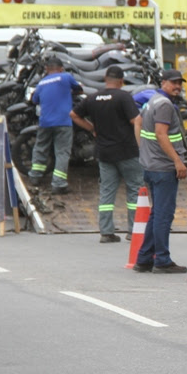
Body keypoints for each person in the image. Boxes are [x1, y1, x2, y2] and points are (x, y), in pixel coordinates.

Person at [69, 65, 143, 244]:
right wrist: (141, 146)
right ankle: (134, 231)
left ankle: (106, 232)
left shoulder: (93, 98)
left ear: (105, 79)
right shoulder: (124, 97)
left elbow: (73, 114)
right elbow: (136, 120)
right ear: (121, 81)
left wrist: (92, 128)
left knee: (107, 193)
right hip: (127, 151)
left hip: (104, 152)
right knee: (135, 190)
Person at [133, 69, 187, 274]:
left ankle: (144, 259)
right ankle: (162, 260)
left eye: (180, 83)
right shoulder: (165, 104)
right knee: (163, 216)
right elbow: (160, 133)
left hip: (151, 166)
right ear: (163, 82)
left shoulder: (154, 100)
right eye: (173, 83)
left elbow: (138, 122)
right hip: (164, 168)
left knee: (157, 214)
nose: (177, 86)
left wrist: (144, 151)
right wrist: (177, 161)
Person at [29, 55, 83, 194]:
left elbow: (34, 100)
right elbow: (79, 90)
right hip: (63, 121)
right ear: (61, 68)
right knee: (62, 152)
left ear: (46, 69)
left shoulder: (41, 83)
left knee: (41, 148)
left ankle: (35, 176)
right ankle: (58, 184)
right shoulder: (66, 77)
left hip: (45, 121)